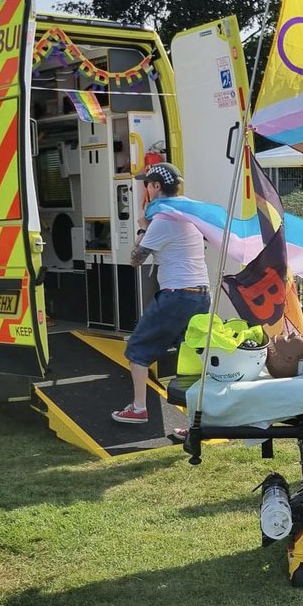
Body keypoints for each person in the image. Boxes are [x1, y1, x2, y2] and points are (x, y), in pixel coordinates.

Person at [111, 162, 211, 424]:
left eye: (147, 183)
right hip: (201, 293)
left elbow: (136, 259)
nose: (146, 188)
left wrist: (143, 226)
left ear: (156, 186)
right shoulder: (189, 214)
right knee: (189, 356)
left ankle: (138, 408)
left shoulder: (164, 220)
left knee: (137, 349)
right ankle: (194, 422)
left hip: (177, 295)